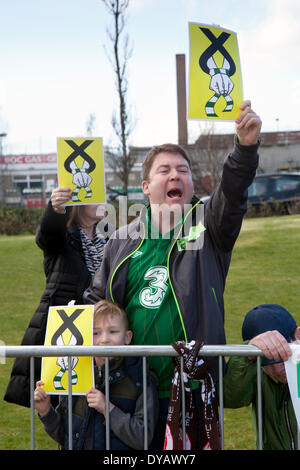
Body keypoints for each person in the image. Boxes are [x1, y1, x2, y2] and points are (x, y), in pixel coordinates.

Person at [83, 99, 262, 448]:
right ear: (146, 187)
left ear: (192, 185)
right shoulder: (120, 241)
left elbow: (232, 193)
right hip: (131, 391)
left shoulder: (209, 226)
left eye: (183, 170)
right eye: (164, 170)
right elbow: (95, 303)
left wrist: (244, 148)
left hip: (192, 390)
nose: (175, 175)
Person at [4, 187, 108, 408]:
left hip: (100, 334)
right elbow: (47, 235)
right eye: (96, 195)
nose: (103, 200)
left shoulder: (110, 238)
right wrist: (55, 209)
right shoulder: (64, 234)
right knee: (67, 411)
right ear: (78, 204)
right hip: (67, 335)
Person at [34, 299, 158, 450]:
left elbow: (142, 437)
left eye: (113, 331)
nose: (104, 340)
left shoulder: (140, 377)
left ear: (128, 337)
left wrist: (108, 409)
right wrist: (46, 411)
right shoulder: (74, 373)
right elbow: (65, 436)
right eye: (95, 333)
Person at [223, 303, 300, 450]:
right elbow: (230, 397)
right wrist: (245, 357)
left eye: (284, 354)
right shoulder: (255, 372)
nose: (278, 368)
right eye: (268, 360)